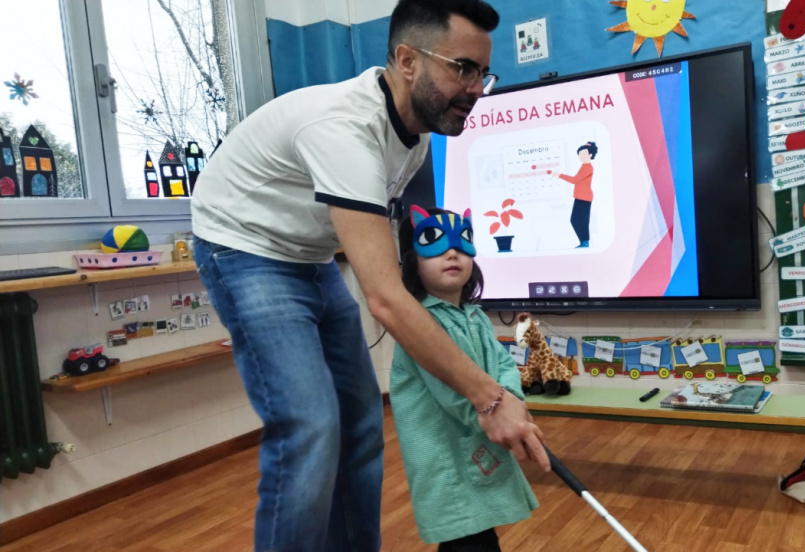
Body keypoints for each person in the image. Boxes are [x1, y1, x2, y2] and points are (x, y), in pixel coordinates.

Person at [189, 1, 549, 550]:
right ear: (407, 60)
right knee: (310, 428)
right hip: (243, 248)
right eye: (462, 68)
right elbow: (385, 298)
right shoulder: (347, 130)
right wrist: (491, 399)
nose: (477, 88)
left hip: (307, 256)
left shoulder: (418, 133)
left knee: (359, 426)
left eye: (482, 72)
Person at [391, 206, 538, 551]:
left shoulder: (475, 316)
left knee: (480, 533)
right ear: (413, 260)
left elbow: (502, 364)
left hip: (477, 446)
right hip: (447, 458)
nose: (452, 252)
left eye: (462, 243)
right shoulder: (418, 324)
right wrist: (497, 410)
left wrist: (512, 402)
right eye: (435, 244)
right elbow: (453, 390)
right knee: (467, 536)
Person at [553, 142, 598, 247]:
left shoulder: (588, 167)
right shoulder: (584, 166)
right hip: (580, 196)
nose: (581, 156)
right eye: (580, 154)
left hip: (585, 197)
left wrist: (559, 175)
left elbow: (575, 180)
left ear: (590, 155)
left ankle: (585, 242)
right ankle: (583, 241)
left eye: (584, 154)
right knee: (574, 220)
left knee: (582, 221)